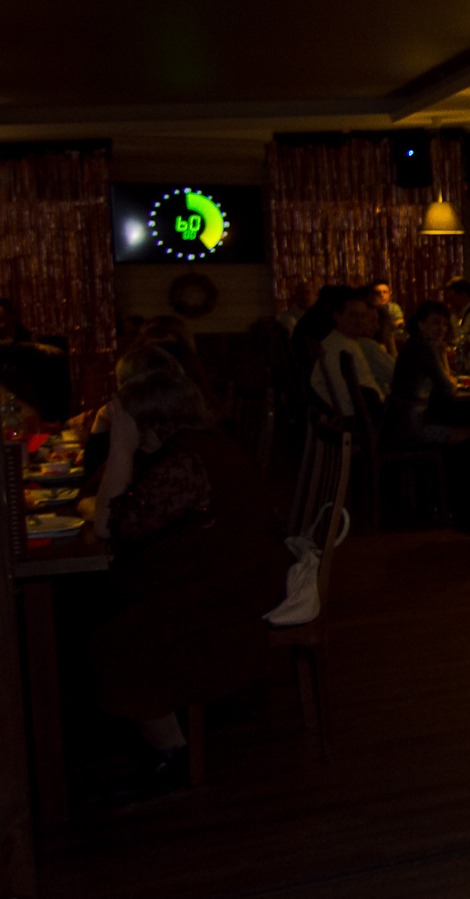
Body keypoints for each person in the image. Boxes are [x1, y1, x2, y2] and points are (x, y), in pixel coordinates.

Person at [85, 347, 290, 799]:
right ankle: (134, 724)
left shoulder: (187, 461)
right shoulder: (190, 447)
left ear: (150, 421)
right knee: (105, 602)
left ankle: (172, 753)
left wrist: (119, 446)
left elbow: (107, 523)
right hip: (235, 569)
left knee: (118, 632)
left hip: (238, 582)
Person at [382, 300, 470, 451]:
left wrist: (442, 353)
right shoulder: (423, 347)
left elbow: (445, 382)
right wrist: (442, 357)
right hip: (411, 427)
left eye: (445, 324)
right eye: (436, 323)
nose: (441, 329)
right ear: (421, 324)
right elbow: (448, 387)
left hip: (399, 423)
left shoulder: (415, 344)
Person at [311, 290, 386, 419]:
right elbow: (347, 399)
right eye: (353, 315)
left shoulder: (341, 342)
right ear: (338, 316)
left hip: (365, 416)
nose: (359, 321)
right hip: (364, 419)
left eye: (363, 316)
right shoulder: (341, 348)